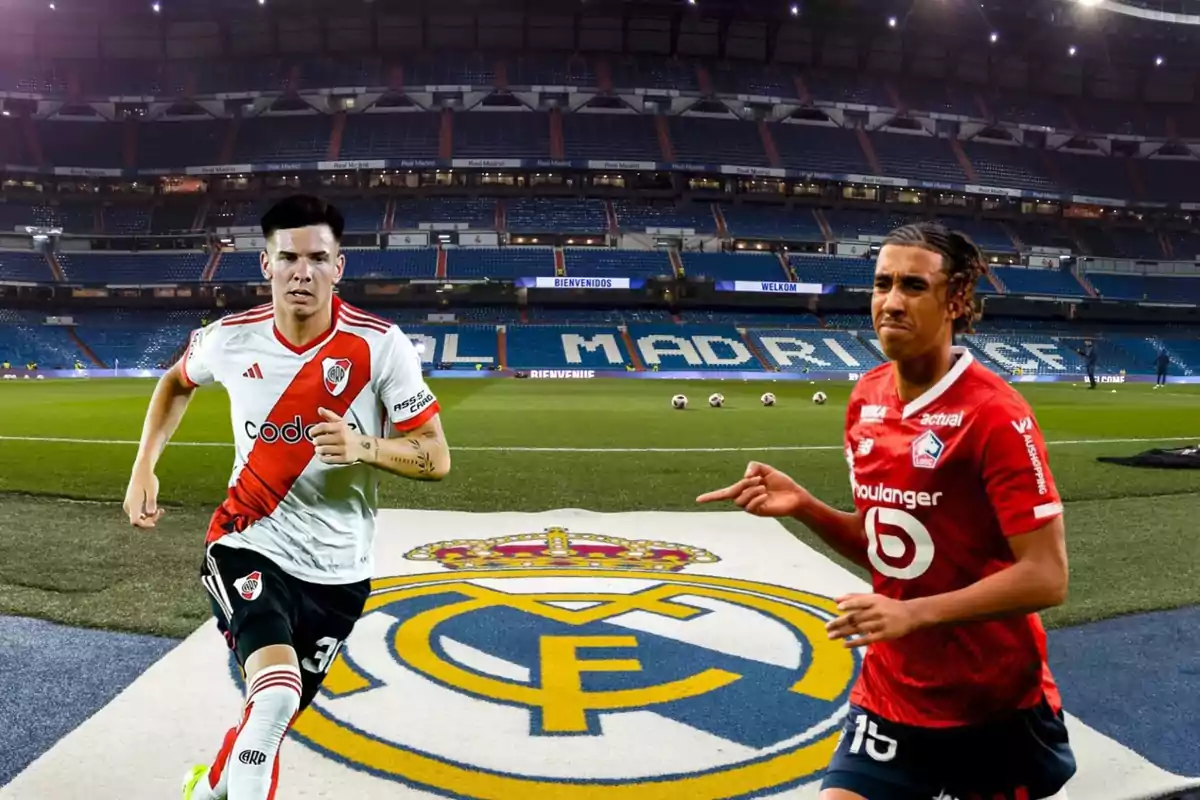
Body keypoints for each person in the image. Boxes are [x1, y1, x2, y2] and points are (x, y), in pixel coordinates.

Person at [698, 222, 1075, 800]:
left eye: (913, 287)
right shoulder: (866, 397)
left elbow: (1047, 577)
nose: (891, 302)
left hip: (992, 697)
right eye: (882, 284)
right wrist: (805, 507)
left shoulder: (997, 415)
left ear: (955, 301)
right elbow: (890, 549)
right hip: (892, 690)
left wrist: (914, 615)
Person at [122, 194, 451, 800]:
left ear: (339, 266)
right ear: (266, 264)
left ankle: (211, 784)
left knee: (269, 723)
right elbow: (174, 382)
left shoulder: (381, 346)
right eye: (290, 257)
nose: (304, 272)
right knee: (273, 696)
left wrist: (365, 447)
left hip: (341, 571)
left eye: (318, 258)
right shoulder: (228, 339)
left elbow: (436, 456)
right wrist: (145, 465)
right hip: (248, 539)